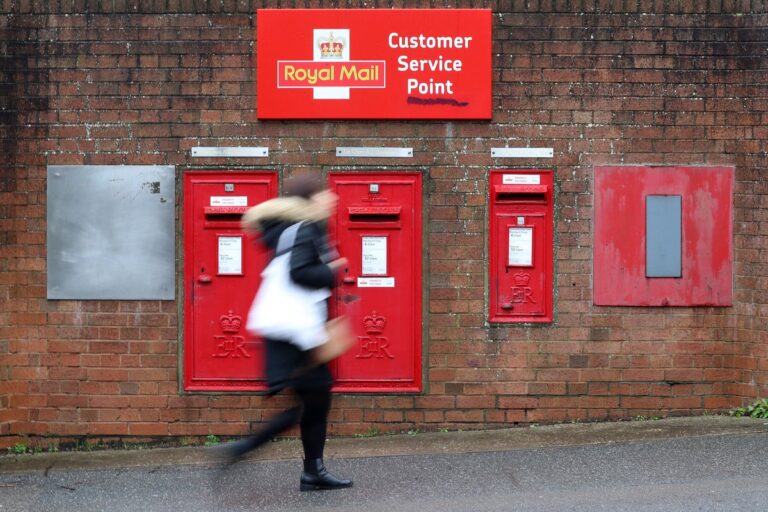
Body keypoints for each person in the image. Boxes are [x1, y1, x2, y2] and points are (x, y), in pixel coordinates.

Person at [223, 173, 352, 491]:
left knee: (314, 400)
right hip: (298, 333)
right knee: (310, 402)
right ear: (311, 199)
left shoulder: (287, 230)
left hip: (292, 331)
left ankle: (312, 470)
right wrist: (333, 270)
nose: (332, 199)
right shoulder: (306, 228)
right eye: (326, 194)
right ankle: (245, 449)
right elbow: (300, 273)